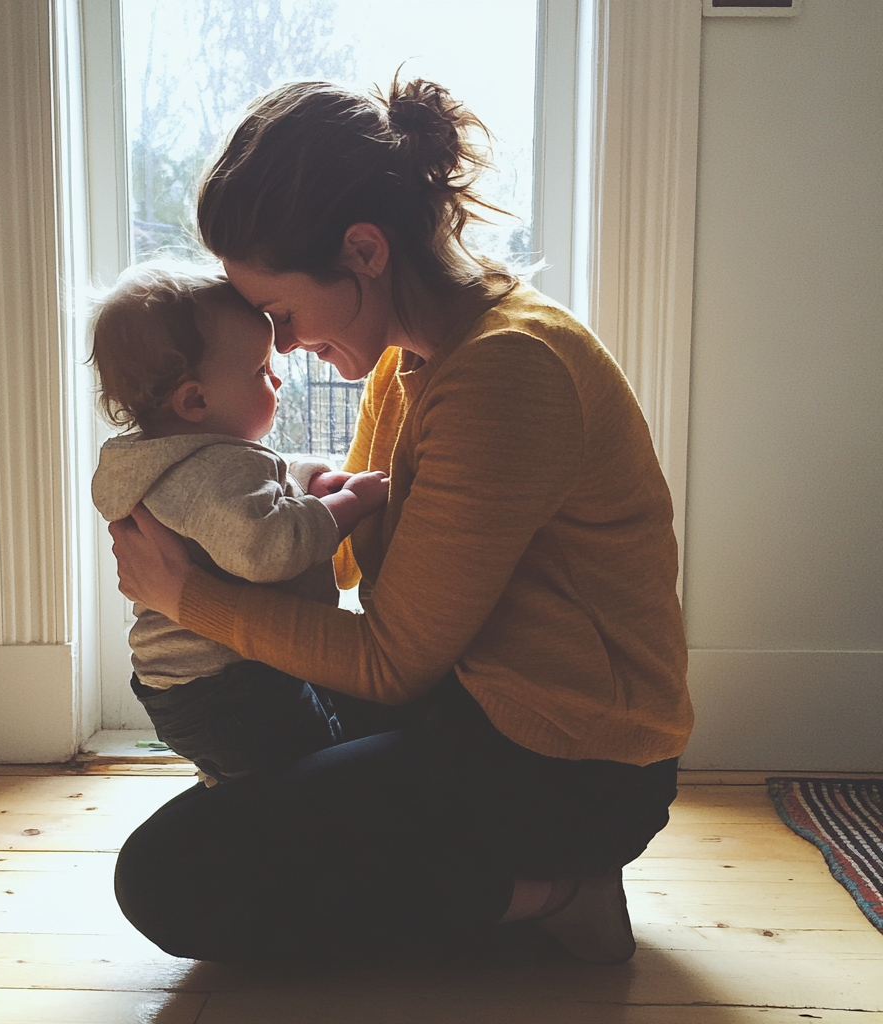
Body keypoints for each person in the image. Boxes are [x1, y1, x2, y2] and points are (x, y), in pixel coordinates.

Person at [108, 78, 694, 965]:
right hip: (468, 697)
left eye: (283, 312)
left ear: (364, 251)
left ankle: (560, 894)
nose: (287, 342)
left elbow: (387, 659)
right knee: (241, 790)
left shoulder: (507, 373)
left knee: (166, 876)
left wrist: (188, 597)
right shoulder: (407, 363)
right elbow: (356, 577)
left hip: (571, 763)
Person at [89, 259, 389, 783]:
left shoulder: (174, 462)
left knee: (253, 770)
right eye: (259, 370)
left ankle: (233, 793)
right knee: (311, 770)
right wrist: (349, 505)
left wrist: (308, 483)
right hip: (233, 686)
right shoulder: (214, 468)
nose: (275, 378)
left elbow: (258, 487)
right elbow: (267, 545)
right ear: (195, 399)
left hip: (191, 690)